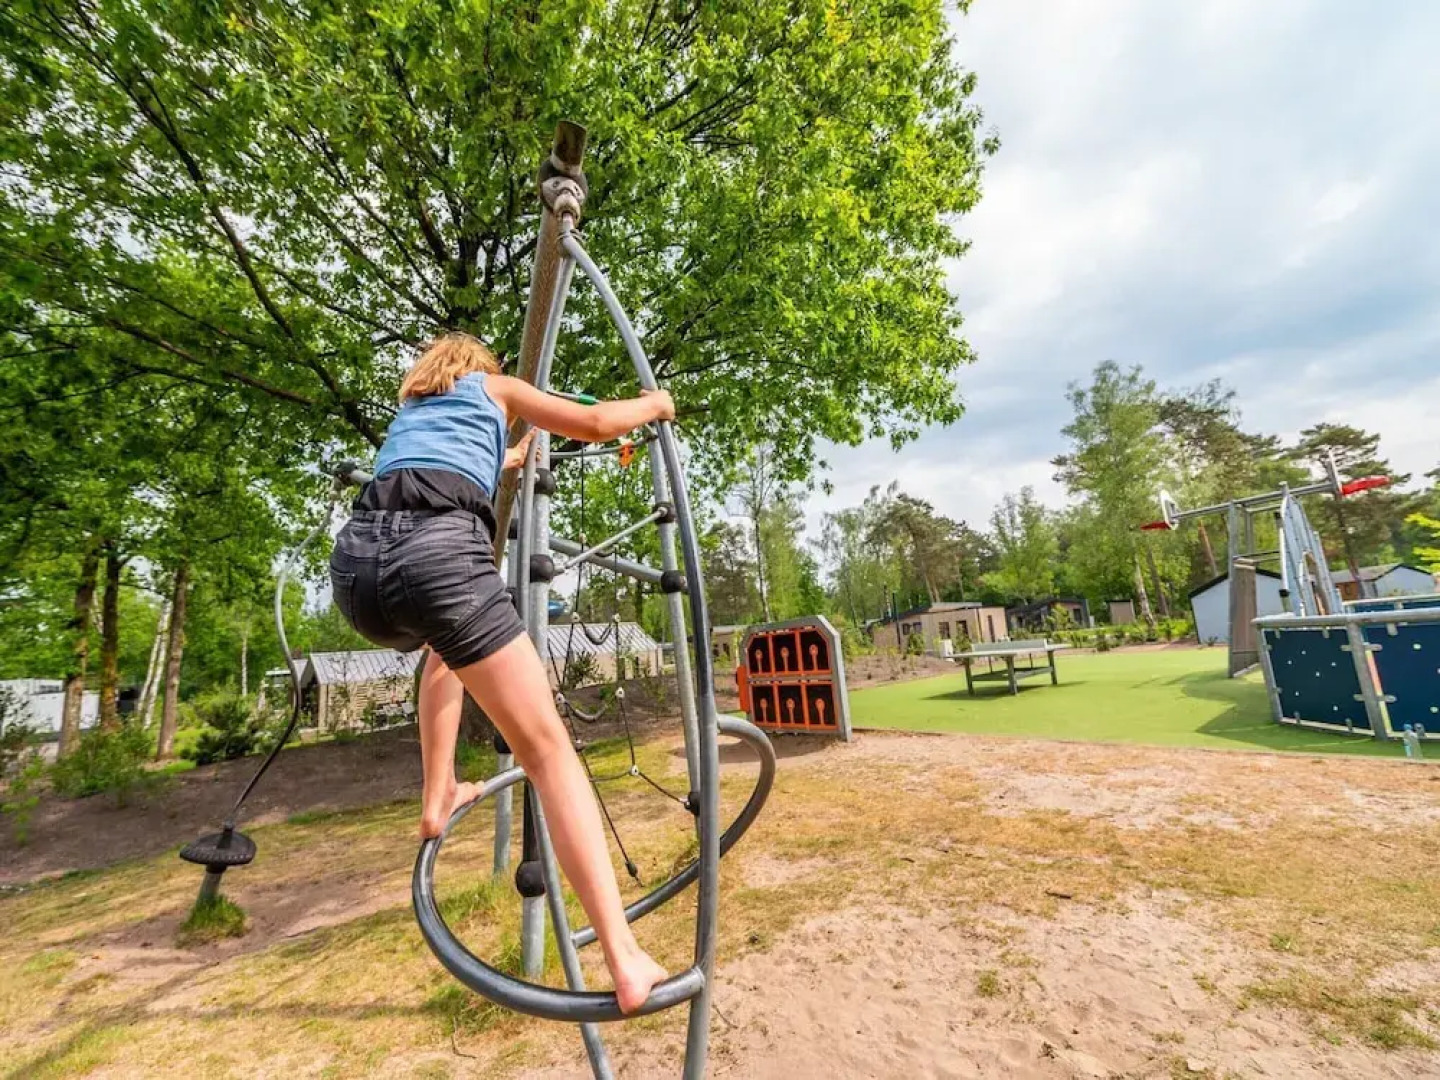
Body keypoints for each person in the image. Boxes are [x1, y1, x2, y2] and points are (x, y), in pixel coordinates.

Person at [330, 331, 672, 1013]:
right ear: (484, 371)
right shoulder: (497, 388)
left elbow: (463, 463)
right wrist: (653, 403)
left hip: (357, 571)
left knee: (442, 652)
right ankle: (624, 958)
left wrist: (512, 456)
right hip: (438, 561)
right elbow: (599, 423)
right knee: (547, 751)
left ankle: (437, 796)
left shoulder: (412, 417)